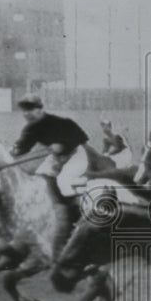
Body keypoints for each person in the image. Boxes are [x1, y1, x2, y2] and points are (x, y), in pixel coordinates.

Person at [11, 93, 91, 241]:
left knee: (64, 182)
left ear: (40, 109)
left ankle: (80, 218)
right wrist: (14, 151)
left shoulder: (61, 122)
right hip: (56, 158)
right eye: (24, 110)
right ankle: (54, 213)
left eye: (30, 109)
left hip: (75, 155)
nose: (26, 114)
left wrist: (64, 144)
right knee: (40, 178)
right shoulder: (31, 128)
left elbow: (83, 138)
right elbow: (22, 147)